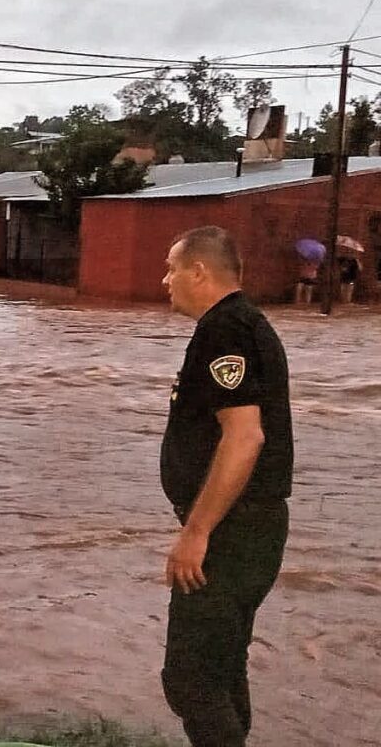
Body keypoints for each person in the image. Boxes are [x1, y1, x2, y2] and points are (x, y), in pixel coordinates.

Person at [159, 226, 293, 747]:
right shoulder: (244, 325)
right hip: (250, 531)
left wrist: (197, 531)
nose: (165, 278)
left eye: (172, 267)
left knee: (190, 679)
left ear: (199, 272)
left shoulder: (226, 331)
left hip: (232, 534)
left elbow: (245, 438)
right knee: (221, 669)